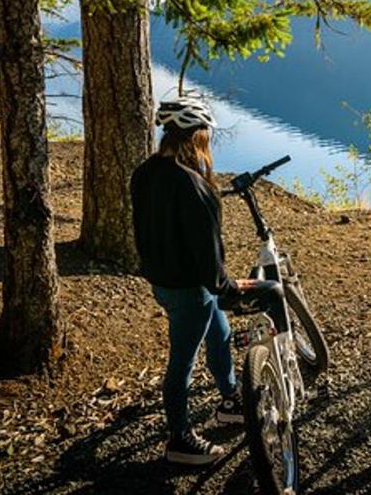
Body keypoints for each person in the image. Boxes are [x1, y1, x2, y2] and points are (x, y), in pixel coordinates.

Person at [131, 97, 246, 466]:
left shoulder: (145, 172)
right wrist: (227, 288)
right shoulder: (193, 185)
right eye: (206, 133)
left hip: (163, 279)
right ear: (197, 136)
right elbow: (207, 254)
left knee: (220, 333)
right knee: (182, 362)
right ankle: (180, 439)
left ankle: (230, 400)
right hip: (189, 287)